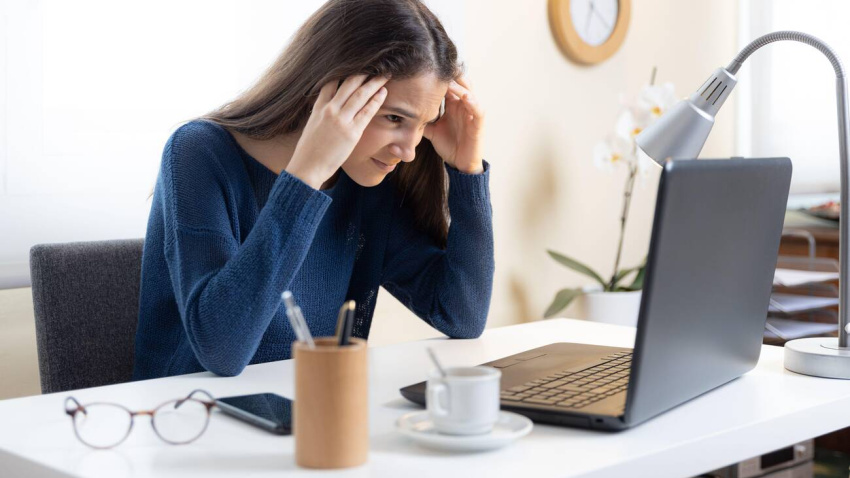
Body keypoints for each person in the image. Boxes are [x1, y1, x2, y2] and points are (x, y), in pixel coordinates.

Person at [132, 0, 494, 380]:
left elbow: (462, 315)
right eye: (393, 118)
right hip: (193, 417)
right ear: (330, 92)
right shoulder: (198, 152)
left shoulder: (365, 183)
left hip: (312, 410)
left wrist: (466, 170)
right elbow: (222, 351)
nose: (408, 151)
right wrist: (307, 175)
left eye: (424, 124)